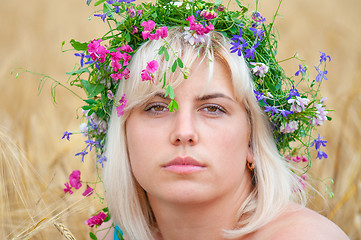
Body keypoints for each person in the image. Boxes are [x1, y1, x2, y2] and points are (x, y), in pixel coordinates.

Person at [99, 27, 349, 240]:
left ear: (252, 140)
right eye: (156, 107)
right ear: (123, 134)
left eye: (213, 109)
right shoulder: (115, 235)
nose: (184, 132)